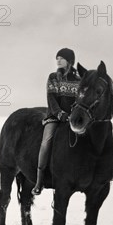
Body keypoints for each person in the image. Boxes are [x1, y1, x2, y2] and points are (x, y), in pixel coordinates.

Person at [32, 48, 80, 195]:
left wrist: (74, 115)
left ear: (70, 61)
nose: (58, 60)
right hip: (55, 117)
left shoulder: (79, 80)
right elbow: (51, 99)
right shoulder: (53, 77)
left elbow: (80, 100)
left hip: (73, 118)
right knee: (46, 143)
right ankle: (39, 181)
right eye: (57, 58)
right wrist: (60, 114)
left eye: (61, 58)